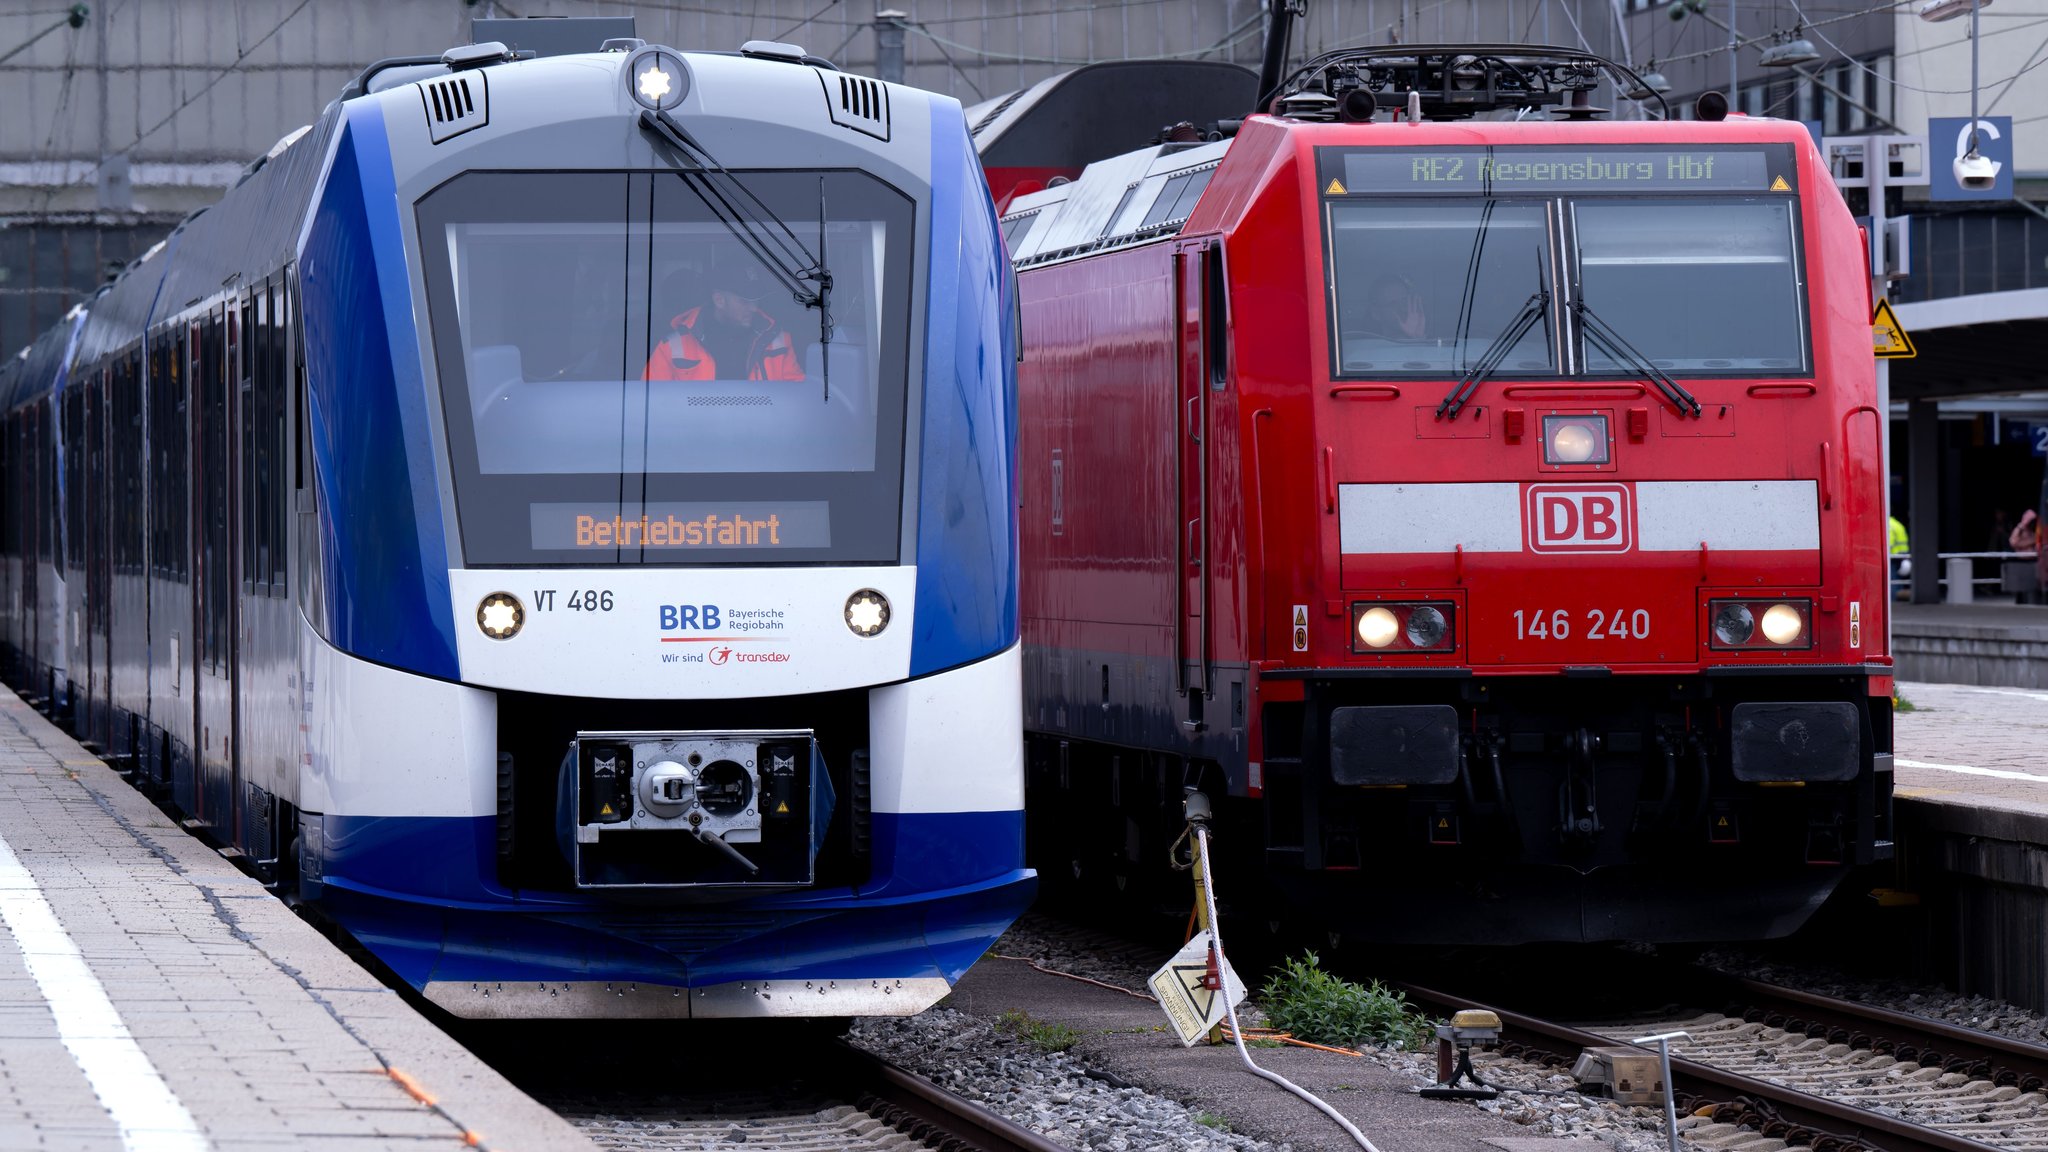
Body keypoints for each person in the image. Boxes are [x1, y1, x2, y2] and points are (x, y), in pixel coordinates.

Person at [644, 254, 805, 382]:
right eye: (744, 301)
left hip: (763, 424)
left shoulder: (779, 340)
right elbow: (651, 405)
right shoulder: (672, 346)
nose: (754, 308)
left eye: (756, 300)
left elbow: (795, 400)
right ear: (719, 300)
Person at [1360, 275, 1427, 340]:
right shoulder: (1367, 349)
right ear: (1376, 314)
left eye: (1404, 301)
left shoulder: (1433, 345)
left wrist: (1417, 339)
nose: (1402, 309)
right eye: (1394, 304)